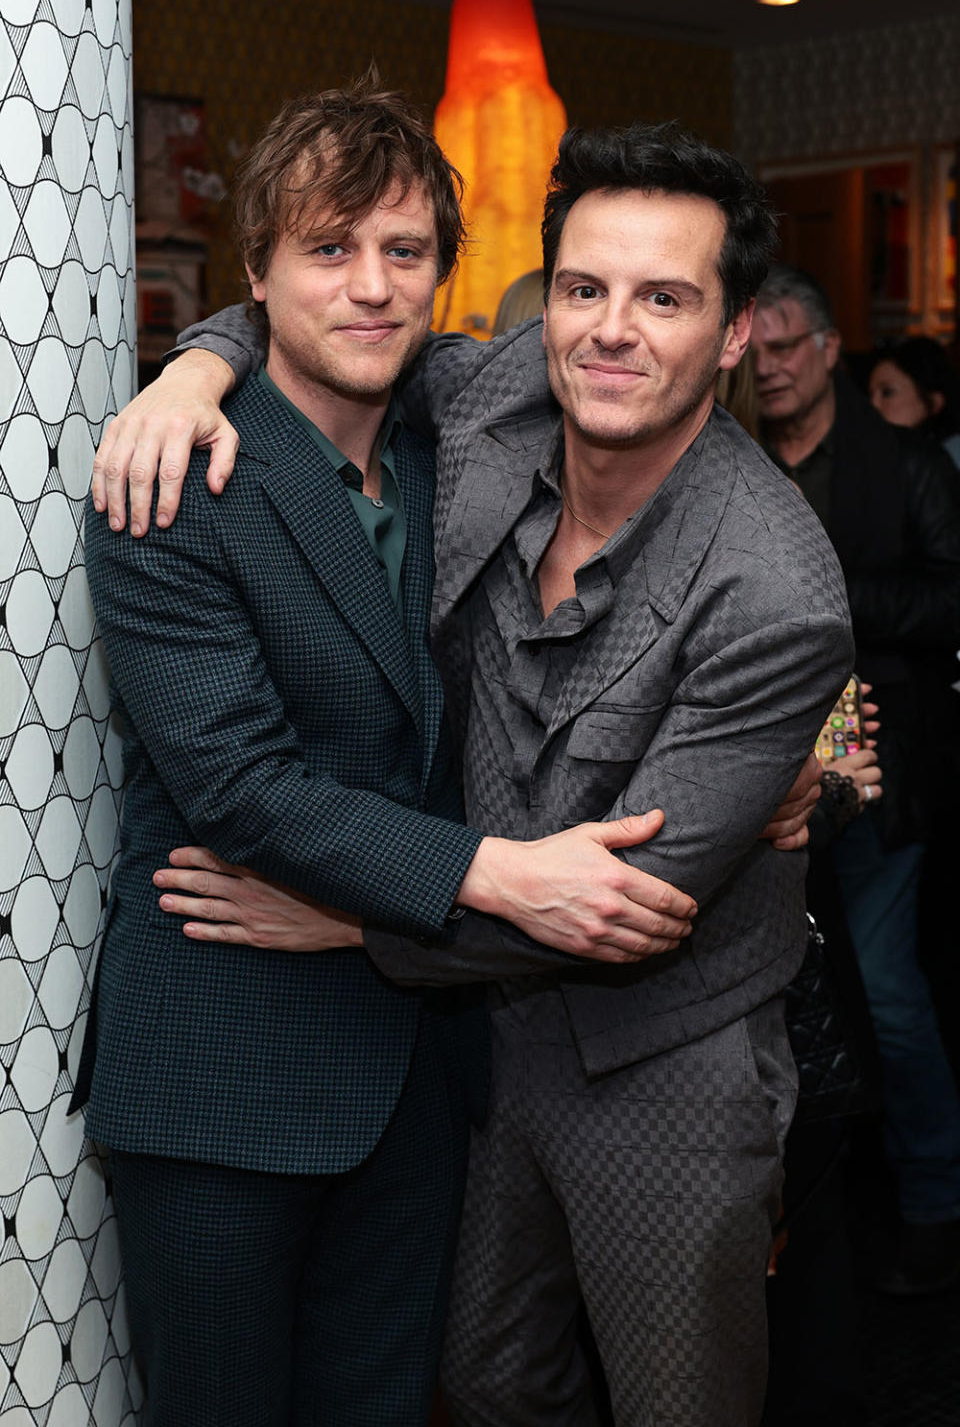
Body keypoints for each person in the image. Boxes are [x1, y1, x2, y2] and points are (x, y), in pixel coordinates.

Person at [93, 122, 852, 1426]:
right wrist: (191, 368)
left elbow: (622, 902)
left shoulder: (767, 585)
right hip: (361, 1066)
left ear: (735, 335)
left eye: (666, 297)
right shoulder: (475, 410)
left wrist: (351, 923)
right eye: (584, 289)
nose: (613, 331)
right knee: (477, 1387)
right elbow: (337, 310)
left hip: (634, 1056)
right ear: (543, 304)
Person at [752, 263, 960, 1295]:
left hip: (882, 767)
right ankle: (815, 1212)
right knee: (791, 999)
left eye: (791, 346)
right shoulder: (731, 464)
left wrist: (836, 591)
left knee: (885, 988)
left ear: (832, 351)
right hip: (769, 781)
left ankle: (931, 1198)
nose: (774, 367)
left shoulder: (906, 465)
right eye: (762, 347)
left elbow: (951, 602)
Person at [868, 335, 960, 468]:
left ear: (934, 401)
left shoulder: (952, 457)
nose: (874, 405)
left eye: (887, 393)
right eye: (870, 395)